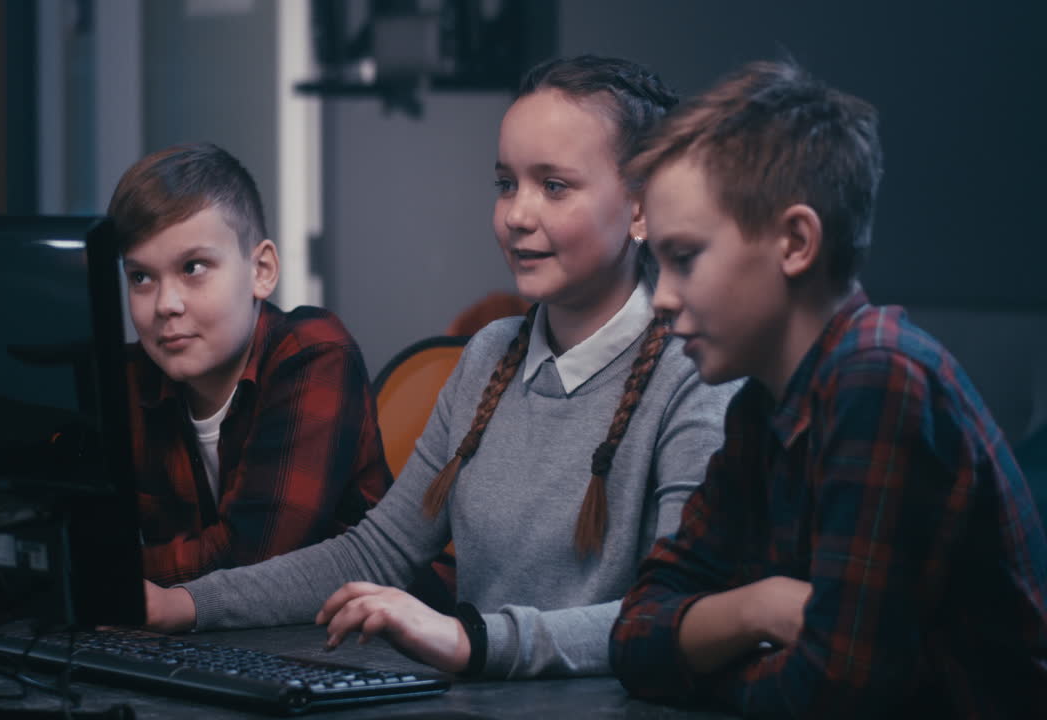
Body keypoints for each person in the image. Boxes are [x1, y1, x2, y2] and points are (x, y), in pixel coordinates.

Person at [140, 55, 739, 679]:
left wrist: (472, 642)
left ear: (642, 208)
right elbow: (380, 550)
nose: (517, 215)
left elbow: (673, 616)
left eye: (554, 186)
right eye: (506, 183)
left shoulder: (694, 374)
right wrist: (183, 605)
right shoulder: (489, 355)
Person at [610, 60, 1047, 717]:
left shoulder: (881, 378)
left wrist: (711, 665)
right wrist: (755, 608)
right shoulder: (764, 401)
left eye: (685, 258)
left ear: (795, 241)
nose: (661, 297)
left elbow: (835, 692)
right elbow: (635, 636)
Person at [0, 143, 392, 645]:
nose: (165, 305)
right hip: (224, 645)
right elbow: (52, 529)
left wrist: (83, 574)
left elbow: (251, 555)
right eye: (141, 277)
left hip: (358, 650)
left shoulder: (314, 354)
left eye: (193, 267)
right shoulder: (132, 379)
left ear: (261, 271)